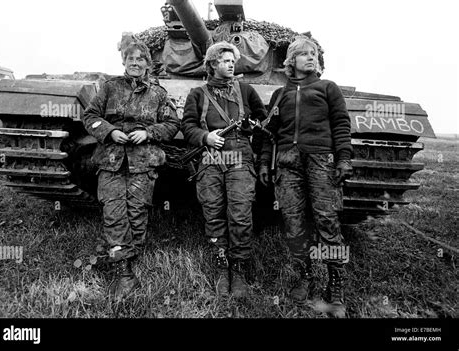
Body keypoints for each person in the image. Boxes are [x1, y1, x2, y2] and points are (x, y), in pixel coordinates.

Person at [259, 36, 353, 314]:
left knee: (328, 221)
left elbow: (341, 124)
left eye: (314, 54)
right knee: (294, 223)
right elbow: (269, 134)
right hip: (288, 164)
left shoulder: (327, 88)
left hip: (321, 162)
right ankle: (305, 275)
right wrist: (265, 163)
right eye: (304, 54)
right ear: (291, 62)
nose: (311, 58)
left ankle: (336, 285)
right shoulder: (280, 95)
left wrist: (344, 159)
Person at [82, 37, 180, 301]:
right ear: (124, 62)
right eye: (130, 59)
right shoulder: (109, 88)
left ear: (148, 63)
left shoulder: (158, 93)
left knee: (137, 211)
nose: (135, 63)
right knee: (114, 210)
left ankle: (125, 253)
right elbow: (89, 116)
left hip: (143, 160)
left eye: (140, 59)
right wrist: (110, 131)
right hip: (112, 159)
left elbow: (172, 124)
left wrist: (148, 133)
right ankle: (123, 270)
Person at [181, 41, 267, 298]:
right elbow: (187, 126)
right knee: (213, 212)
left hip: (239, 155)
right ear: (212, 64)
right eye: (225, 60)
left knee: (240, 213)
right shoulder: (197, 93)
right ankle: (221, 265)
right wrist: (204, 137)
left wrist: (253, 124)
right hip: (210, 157)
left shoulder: (246, 90)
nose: (231, 64)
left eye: (233, 60)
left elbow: (262, 119)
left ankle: (239, 268)